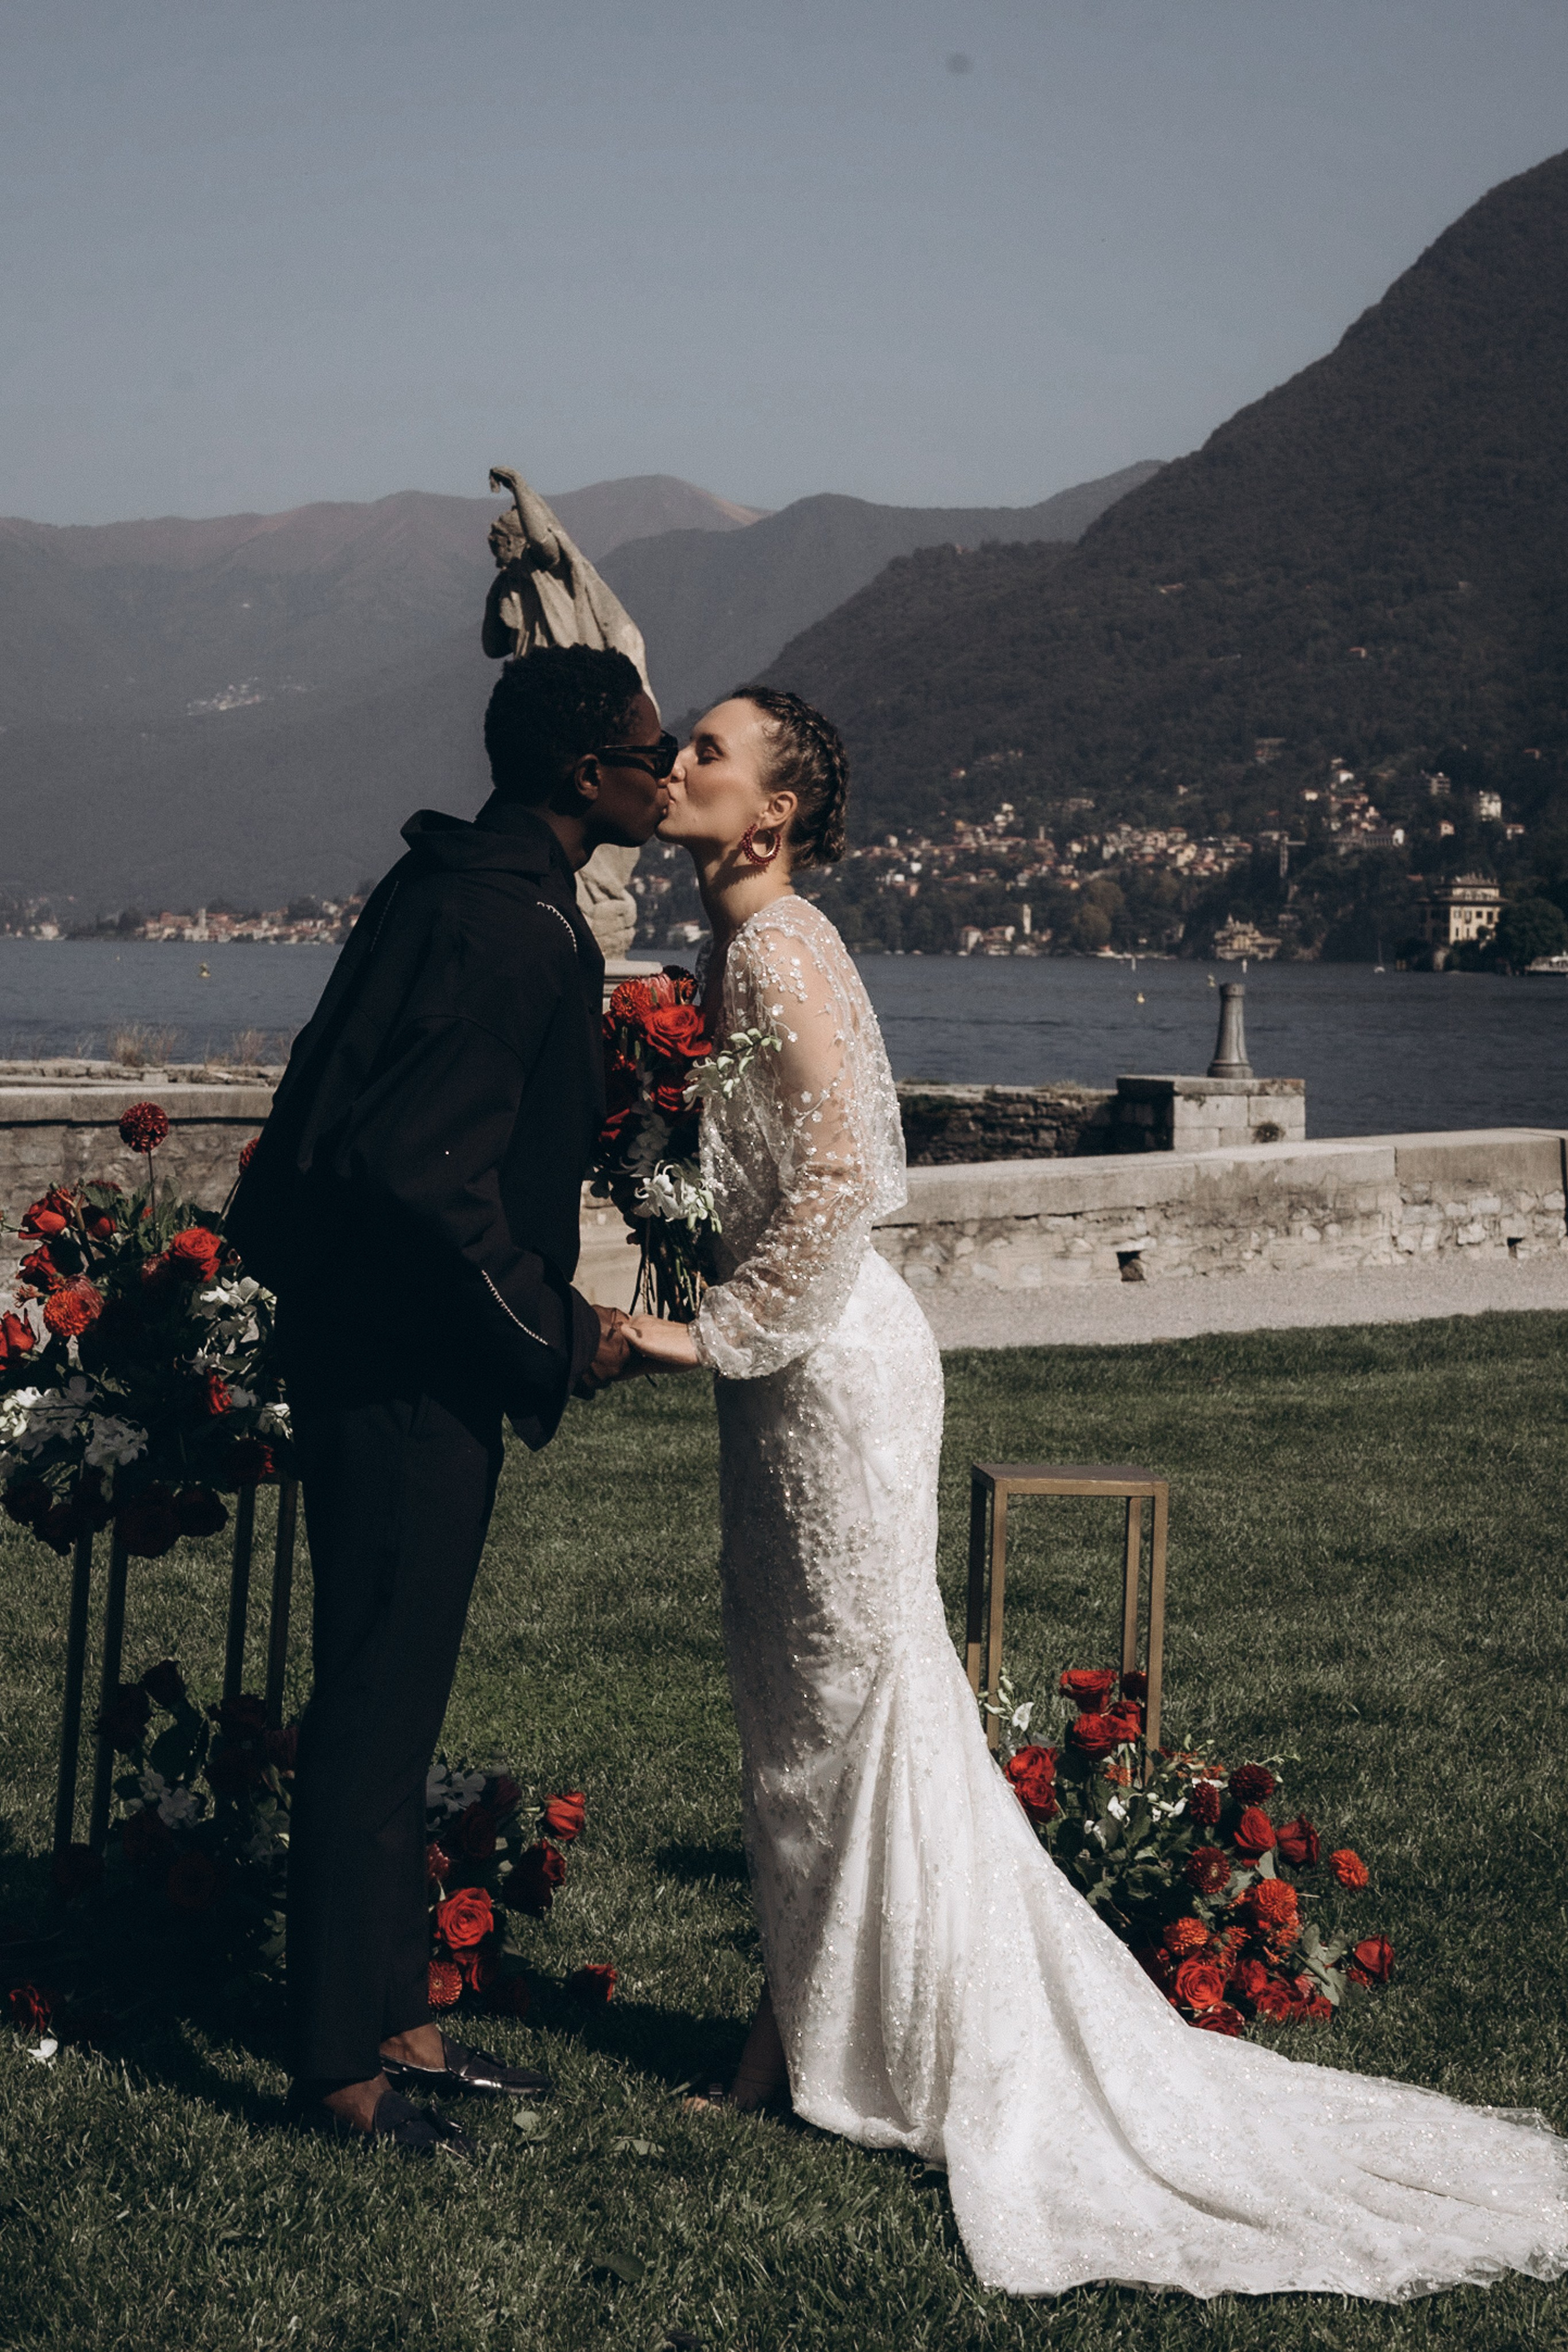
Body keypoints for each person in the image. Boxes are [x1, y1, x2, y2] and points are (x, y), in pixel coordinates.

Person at [622, 685, 1568, 2297]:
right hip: (800, 1375)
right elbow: (775, 1166)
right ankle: (794, 2030)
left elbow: (856, 1176)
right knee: (813, 1720)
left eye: (711, 750)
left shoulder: (778, 949)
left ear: (771, 816)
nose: (680, 763)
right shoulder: (742, 946)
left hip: (827, 1372)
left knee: (855, 1712)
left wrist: (701, 1327)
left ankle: (880, 2048)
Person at [228, 644, 676, 2154]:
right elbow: (426, 1180)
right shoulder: (510, 927)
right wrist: (554, 1337)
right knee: (371, 1705)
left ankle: (396, 2012)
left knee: (391, 1692)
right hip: (413, 1367)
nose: (666, 775)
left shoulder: (446, 885)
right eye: (648, 752)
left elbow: (323, 1114)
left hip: (363, 1347)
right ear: (584, 777)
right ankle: (337, 2071)